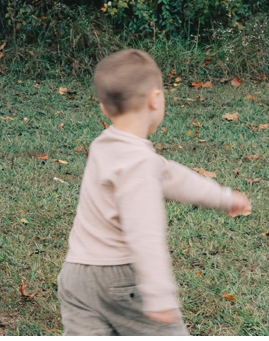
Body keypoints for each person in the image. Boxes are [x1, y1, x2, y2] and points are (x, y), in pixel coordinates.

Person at [58, 49, 252, 335]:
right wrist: (159, 295)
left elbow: (173, 176)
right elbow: (144, 233)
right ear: (156, 99)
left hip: (76, 275)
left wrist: (223, 197)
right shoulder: (140, 163)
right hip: (120, 277)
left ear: (104, 108)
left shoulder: (104, 145)